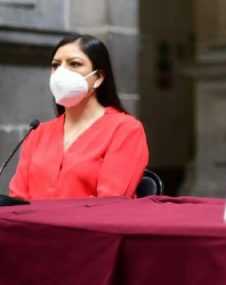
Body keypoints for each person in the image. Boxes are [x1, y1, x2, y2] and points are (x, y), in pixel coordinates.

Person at [9, 33, 149, 199]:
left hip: (87, 225)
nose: (61, 73)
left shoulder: (125, 130)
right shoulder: (37, 133)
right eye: (55, 65)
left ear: (98, 77)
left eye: (74, 64)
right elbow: (17, 199)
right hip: (30, 224)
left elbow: (111, 202)